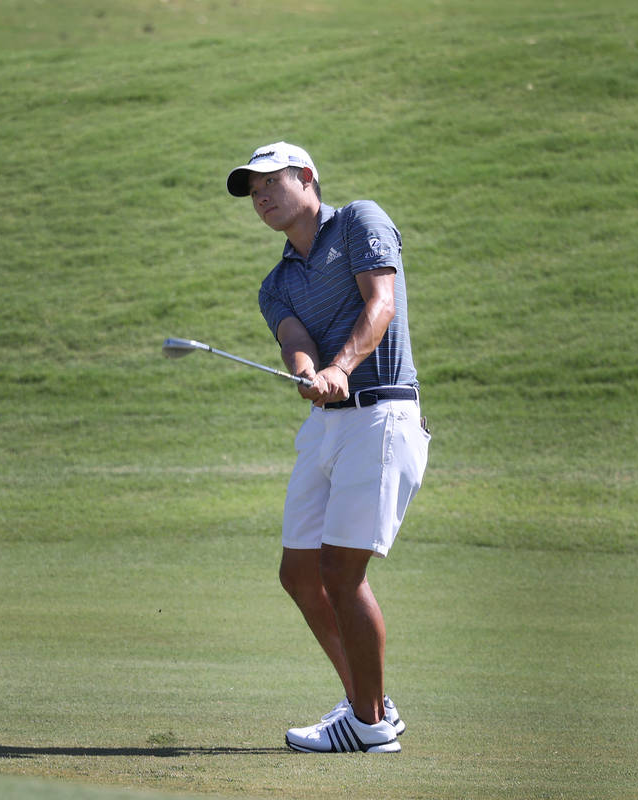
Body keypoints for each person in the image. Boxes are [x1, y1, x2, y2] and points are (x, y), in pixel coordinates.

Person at [226, 142, 430, 754]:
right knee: (299, 573)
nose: (260, 197)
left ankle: (369, 728)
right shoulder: (276, 283)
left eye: (271, 182)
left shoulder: (360, 220)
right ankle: (369, 707)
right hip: (327, 425)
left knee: (342, 570)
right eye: (252, 190)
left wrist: (341, 366)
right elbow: (295, 339)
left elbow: (381, 304)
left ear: (307, 178)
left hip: (382, 413)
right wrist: (307, 371)